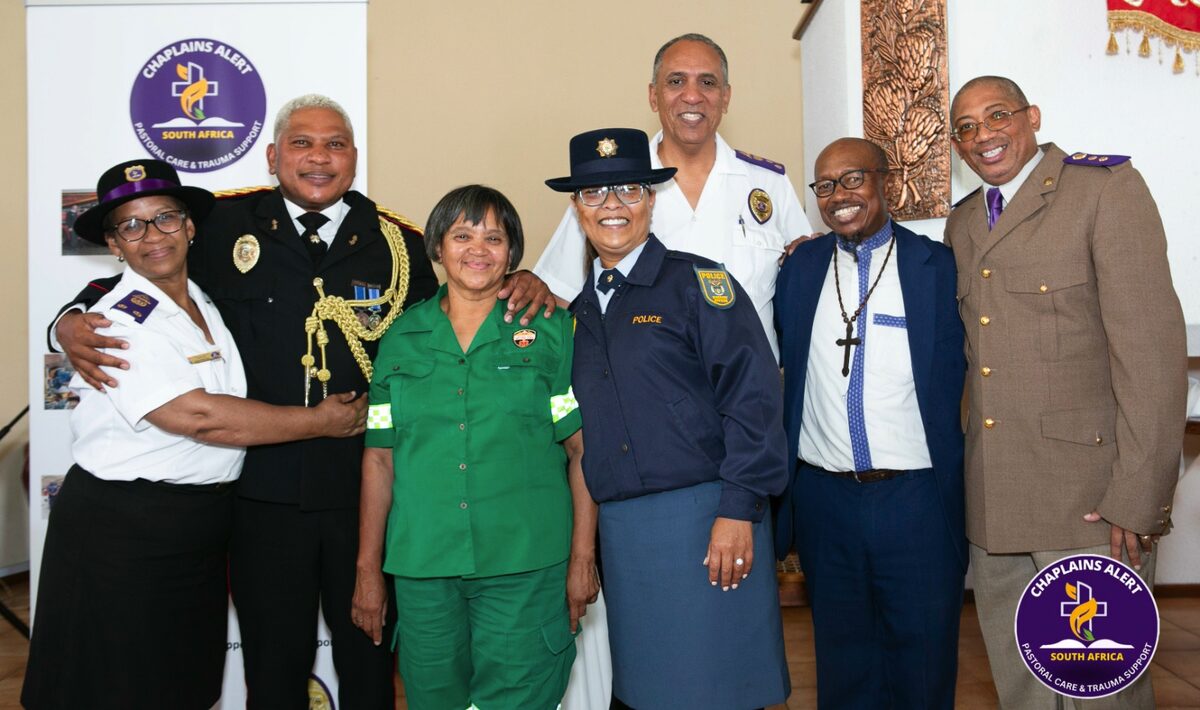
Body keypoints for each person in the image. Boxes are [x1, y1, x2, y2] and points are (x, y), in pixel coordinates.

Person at [51, 95, 557, 708]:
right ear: (272, 156)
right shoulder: (218, 228)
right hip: (262, 497)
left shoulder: (400, 242)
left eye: (335, 144)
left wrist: (523, 280)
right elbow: (146, 270)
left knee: (370, 659)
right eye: (301, 143)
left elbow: (472, 281)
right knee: (273, 663)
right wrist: (69, 318)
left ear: (353, 158)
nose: (319, 157)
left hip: (365, 494)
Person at [22, 160, 366, 710]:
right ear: (114, 243)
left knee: (179, 683)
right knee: (117, 689)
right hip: (124, 532)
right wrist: (321, 422)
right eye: (131, 226)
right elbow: (199, 417)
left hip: (195, 529)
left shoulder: (201, 296)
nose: (151, 236)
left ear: (189, 227)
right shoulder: (117, 320)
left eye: (164, 219)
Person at [946, 75, 1186, 709]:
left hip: (1089, 507)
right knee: (1021, 692)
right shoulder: (964, 223)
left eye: (997, 116)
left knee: (1103, 696)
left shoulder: (1103, 192)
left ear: (1032, 117)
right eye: (966, 128)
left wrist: (1137, 496)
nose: (982, 135)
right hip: (997, 503)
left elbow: (1153, 360)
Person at [552, 127, 790, 709]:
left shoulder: (697, 284)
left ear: (651, 199)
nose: (612, 207)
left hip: (709, 519)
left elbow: (754, 400)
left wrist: (738, 510)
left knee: (722, 690)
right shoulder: (577, 314)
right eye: (593, 195)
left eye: (629, 190)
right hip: (628, 539)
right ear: (577, 208)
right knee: (649, 694)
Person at [352, 185, 593, 709]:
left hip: (525, 564)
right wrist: (368, 569)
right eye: (462, 235)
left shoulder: (551, 331)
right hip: (424, 568)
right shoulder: (400, 338)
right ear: (438, 247)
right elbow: (379, 458)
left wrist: (582, 557)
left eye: (494, 237)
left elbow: (579, 451)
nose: (478, 249)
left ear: (513, 252)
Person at [773, 138, 966, 709]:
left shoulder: (937, 268)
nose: (839, 196)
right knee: (843, 661)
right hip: (826, 503)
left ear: (887, 182)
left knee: (923, 661)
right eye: (826, 186)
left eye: (853, 179)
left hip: (917, 500)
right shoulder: (800, 270)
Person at [534, 33, 812, 354]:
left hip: (748, 394)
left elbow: (807, 288)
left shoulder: (769, 185)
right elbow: (557, 293)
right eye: (676, 81)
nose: (692, 96)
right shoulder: (608, 191)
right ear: (654, 96)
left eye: (708, 83)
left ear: (726, 97)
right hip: (646, 393)